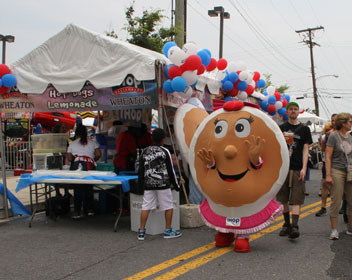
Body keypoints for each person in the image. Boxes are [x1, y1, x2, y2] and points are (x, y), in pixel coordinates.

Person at [137, 128, 181, 240]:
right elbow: (171, 170)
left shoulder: (144, 151)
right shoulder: (165, 151)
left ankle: (141, 231)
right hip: (163, 184)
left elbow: (140, 170)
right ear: (163, 140)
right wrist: (176, 186)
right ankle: (167, 230)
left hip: (148, 183)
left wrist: (140, 186)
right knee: (168, 206)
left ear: (152, 138)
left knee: (145, 206)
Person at [277, 101, 313, 239]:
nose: (293, 111)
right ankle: (286, 224)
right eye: (290, 109)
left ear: (299, 112)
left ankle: (295, 226)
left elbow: (305, 149)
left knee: (297, 198)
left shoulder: (304, 129)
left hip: (298, 167)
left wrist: (304, 168)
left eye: (295, 109)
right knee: (284, 198)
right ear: (287, 112)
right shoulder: (281, 127)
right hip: (284, 167)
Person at [325, 112, 352, 240]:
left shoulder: (351, 137)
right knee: (336, 201)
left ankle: (350, 227)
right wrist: (328, 175)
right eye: (350, 121)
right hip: (337, 170)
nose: (351, 124)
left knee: (351, 201)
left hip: (350, 171)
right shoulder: (333, 136)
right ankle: (334, 230)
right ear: (343, 123)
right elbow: (328, 156)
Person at [66, 124, 101, 219]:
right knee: (88, 187)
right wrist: (92, 159)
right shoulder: (92, 142)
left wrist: (76, 159)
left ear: (76, 133)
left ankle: (77, 211)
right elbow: (98, 154)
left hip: (77, 166)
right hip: (89, 165)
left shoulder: (72, 143)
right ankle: (89, 209)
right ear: (86, 133)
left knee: (78, 188)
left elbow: (69, 158)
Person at [316, 114, 336, 217]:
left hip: (338, 163)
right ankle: (323, 207)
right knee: (325, 183)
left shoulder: (345, 135)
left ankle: (342, 206)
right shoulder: (326, 135)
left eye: (336, 120)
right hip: (326, 162)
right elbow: (322, 149)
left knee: (340, 185)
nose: (334, 122)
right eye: (332, 120)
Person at [52, 123, 71, 197]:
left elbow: (67, 148)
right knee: (56, 174)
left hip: (63, 157)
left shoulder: (64, 138)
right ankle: (57, 192)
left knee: (65, 175)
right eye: (62, 128)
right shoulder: (54, 138)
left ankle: (66, 191)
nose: (64, 129)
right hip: (56, 157)